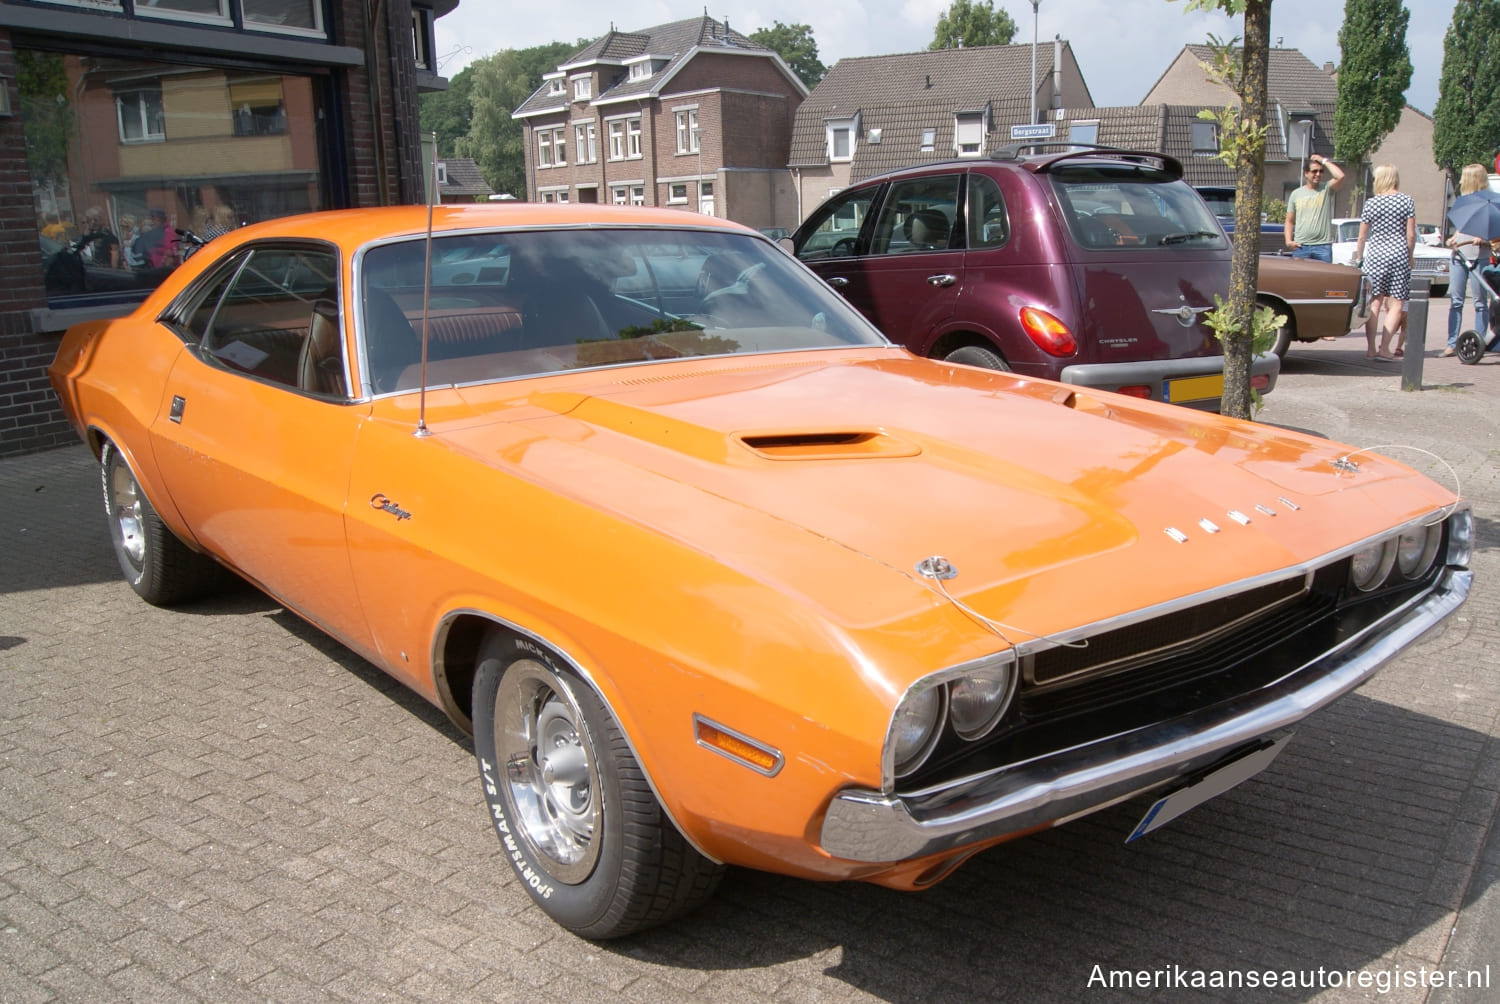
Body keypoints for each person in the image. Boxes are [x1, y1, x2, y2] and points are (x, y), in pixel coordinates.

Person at [1353, 164, 1417, 361]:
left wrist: (1360, 257)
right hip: (1398, 255)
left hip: (1376, 256)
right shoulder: (1407, 201)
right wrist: (1410, 255)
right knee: (1397, 303)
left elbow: (1362, 236)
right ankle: (1385, 348)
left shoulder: (1371, 203)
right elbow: (1411, 235)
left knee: (1375, 302)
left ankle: (1371, 348)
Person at [1442, 163, 1494, 357]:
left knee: (1480, 302)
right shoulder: (1463, 202)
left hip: (1479, 257)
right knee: (1456, 301)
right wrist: (1454, 238)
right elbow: (1462, 227)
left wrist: (1485, 240)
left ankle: (1478, 344)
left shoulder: (1488, 203)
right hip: (1460, 255)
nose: (1461, 180)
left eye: (1465, 177)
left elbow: (1495, 235)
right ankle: (1451, 343)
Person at [1284, 153, 1345, 262]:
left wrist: (1323, 161)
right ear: (1306, 173)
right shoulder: (1296, 194)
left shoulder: (1326, 189)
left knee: (1324, 278)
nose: (1318, 174)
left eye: (1321, 171)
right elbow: (1289, 221)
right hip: (1301, 246)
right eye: (1314, 171)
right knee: (1299, 278)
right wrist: (1288, 241)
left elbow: (1340, 176)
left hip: (1323, 246)